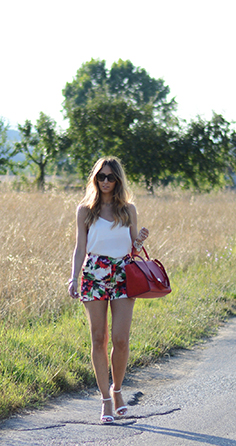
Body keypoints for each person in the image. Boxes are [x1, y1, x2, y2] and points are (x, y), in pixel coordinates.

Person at [68, 157, 149, 423]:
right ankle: (104, 400)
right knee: (98, 338)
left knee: (120, 339)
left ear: (118, 180)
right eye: (100, 177)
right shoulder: (85, 211)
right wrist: (72, 278)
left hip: (124, 272)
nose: (105, 181)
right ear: (95, 179)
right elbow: (80, 248)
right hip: (94, 272)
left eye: (110, 177)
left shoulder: (128, 210)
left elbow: (134, 249)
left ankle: (117, 390)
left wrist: (138, 241)